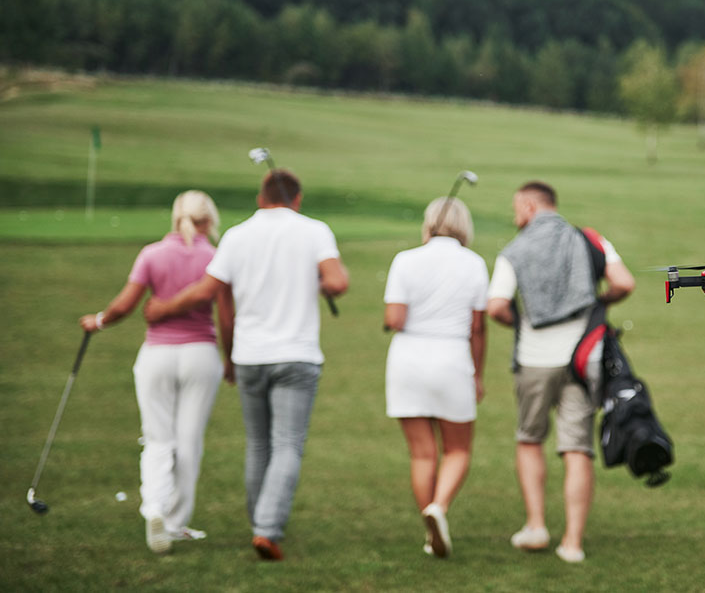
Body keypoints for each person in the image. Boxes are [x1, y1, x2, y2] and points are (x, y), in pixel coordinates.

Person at [144, 169, 349, 562]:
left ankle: (260, 522)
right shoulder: (314, 231)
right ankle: (267, 529)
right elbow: (338, 282)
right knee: (287, 444)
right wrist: (320, 283)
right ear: (297, 199)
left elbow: (208, 291)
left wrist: (164, 309)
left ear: (260, 198)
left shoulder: (237, 235)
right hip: (296, 354)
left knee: (258, 444)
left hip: (250, 355)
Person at [486, 181, 635, 564]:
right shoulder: (589, 239)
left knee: (530, 439)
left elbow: (496, 306)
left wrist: (522, 322)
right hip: (583, 359)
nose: (515, 216)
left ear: (530, 206)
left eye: (517, 208)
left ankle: (536, 525)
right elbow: (623, 282)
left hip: (534, 359)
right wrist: (599, 304)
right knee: (577, 447)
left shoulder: (514, 250)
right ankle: (572, 542)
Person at [79, 190, 231, 555]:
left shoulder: (152, 254)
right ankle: (175, 524)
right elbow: (227, 316)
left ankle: (154, 508)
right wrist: (232, 359)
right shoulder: (216, 257)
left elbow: (125, 305)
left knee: (158, 438)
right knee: (189, 442)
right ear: (209, 220)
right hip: (200, 355)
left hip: (157, 355)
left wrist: (98, 321)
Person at [383, 197, 488, 558]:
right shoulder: (474, 264)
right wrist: (478, 374)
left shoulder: (405, 260)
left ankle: (431, 530)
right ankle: (438, 507)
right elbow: (477, 328)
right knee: (457, 449)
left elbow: (395, 319)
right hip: (452, 358)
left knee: (422, 454)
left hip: (407, 359)